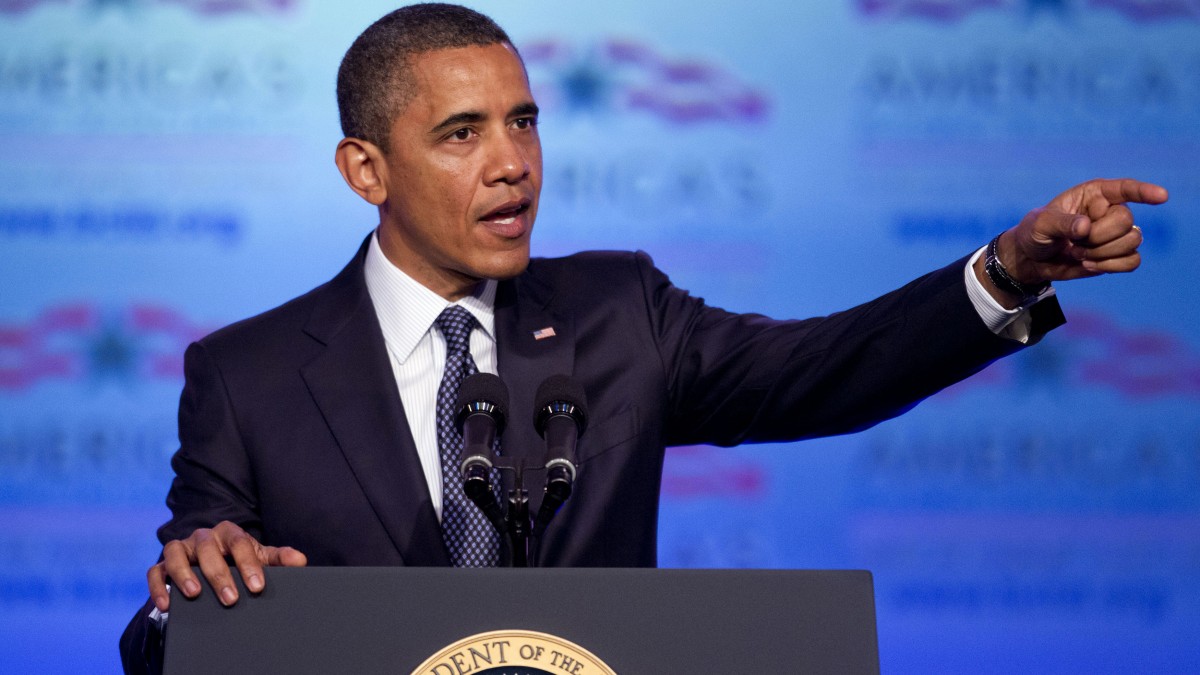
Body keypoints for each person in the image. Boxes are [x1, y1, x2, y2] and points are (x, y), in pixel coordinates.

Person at [120, 3, 1168, 672]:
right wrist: (192, 594)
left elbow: (820, 374)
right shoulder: (246, 374)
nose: (513, 164)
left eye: (524, 121)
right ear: (365, 171)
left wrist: (1004, 272)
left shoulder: (617, 313)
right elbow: (175, 616)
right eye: (462, 134)